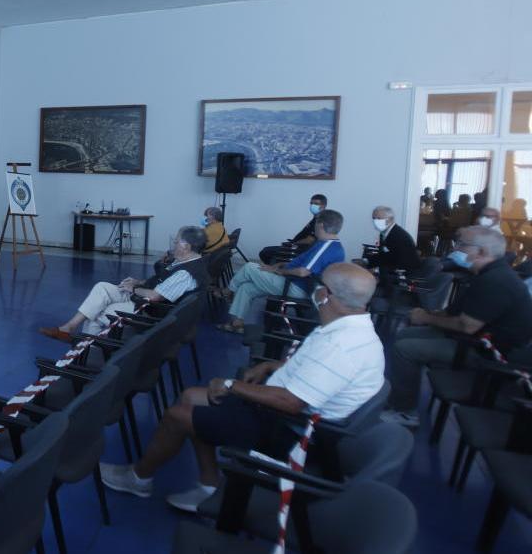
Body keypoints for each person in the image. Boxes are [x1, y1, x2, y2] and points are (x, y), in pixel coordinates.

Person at [100, 263, 384, 512]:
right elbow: (314, 373)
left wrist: (231, 385)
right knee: (192, 397)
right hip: (288, 412)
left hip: (292, 430)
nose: (316, 289)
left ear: (326, 296)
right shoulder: (349, 328)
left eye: (320, 285)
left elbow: (291, 402)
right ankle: (209, 484)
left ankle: (138, 478)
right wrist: (272, 366)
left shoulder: (341, 346)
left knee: (179, 416)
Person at [382, 226, 532, 427]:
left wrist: (425, 318)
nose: (455, 248)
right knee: (405, 335)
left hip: (488, 352)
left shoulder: (497, 281)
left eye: (462, 245)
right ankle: (400, 399)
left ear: (481, 252)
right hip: (473, 339)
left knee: (404, 349)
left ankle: (406, 411)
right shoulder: (486, 274)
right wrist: (427, 314)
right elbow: (454, 312)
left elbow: (466, 325)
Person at [39, 226, 208, 341]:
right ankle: (69, 328)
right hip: (143, 298)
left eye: (176, 241)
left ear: (186, 246)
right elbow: (162, 282)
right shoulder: (183, 261)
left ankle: (84, 353)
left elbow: (156, 296)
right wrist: (138, 282)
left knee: (100, 312)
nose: (174, 244)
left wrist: (134, 288)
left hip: (149, 310)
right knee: (102, 287)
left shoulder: (186, 272)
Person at [219, 209, 345, 333]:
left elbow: (303, 272)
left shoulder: (326, 246)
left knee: (249, 267)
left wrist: (280, 272)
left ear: (321, 225)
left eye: (316, 222)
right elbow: (302, 263)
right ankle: (237, 324)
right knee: (247, 287)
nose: (315, 226)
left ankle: (227, 291)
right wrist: (278, 266)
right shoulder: (326, 244)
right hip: (294, 283)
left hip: (298, 287)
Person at [258, 194, 327, 264]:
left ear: (323, 206)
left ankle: (275, 271)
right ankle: (275, 268)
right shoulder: (315, 219)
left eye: (316, 204)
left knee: (266, 252)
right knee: (266, 251)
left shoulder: (321, 220)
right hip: (296, 247)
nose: (312, 206)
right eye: (311, 203)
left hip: (300, 249)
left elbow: (310, 240)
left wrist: (292, 244)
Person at [360, 206, 421, 275]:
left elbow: (397, 260)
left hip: (406, 273)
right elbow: (385, 255)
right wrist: (366, 261)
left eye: (379, 218)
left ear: (390, 219)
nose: (375, 221)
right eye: (374, 218)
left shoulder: (398, 236)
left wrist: (376, 270)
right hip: (393, 269)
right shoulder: (385, 233)